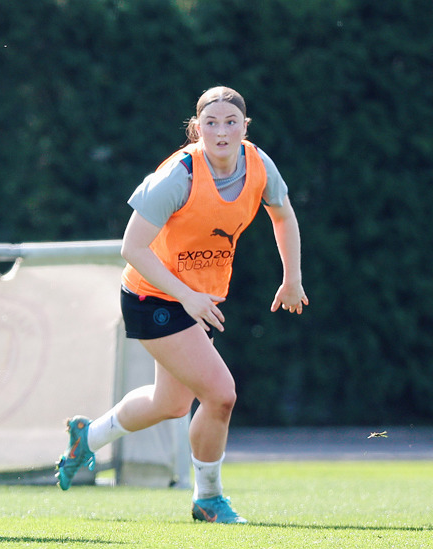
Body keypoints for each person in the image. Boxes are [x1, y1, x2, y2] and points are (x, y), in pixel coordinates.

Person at [54, 86, 308, 524]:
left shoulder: (259, 165)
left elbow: (282, 214)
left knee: (170, 404)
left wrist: (292, 278)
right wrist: (187, 296)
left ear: (245, 127)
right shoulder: (180, 176)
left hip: (195, 301)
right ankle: (207, 498)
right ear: (197, 128)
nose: (222, 131)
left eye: (232, 122)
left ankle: (87, 437)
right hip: (152, 297)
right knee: (221, 395)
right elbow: (133, 247)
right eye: (211, 123)